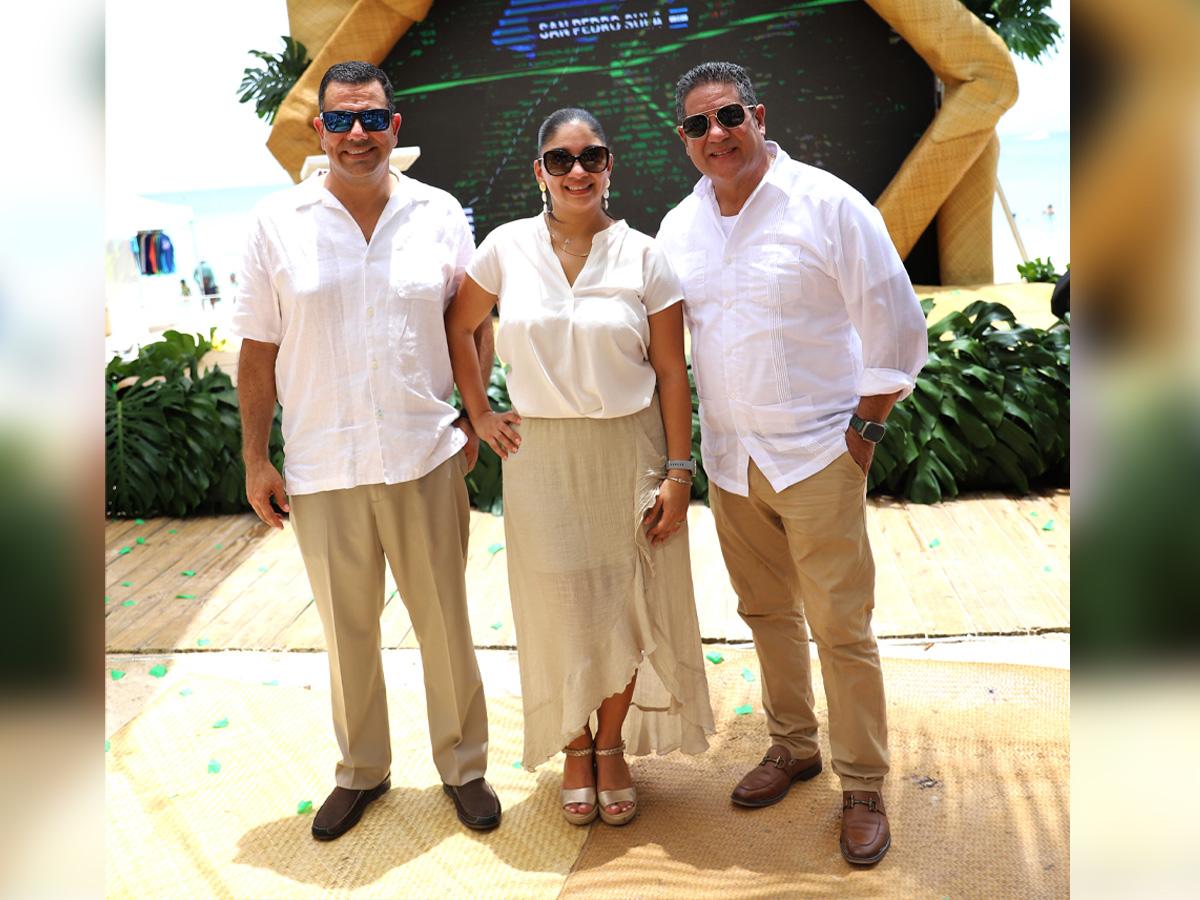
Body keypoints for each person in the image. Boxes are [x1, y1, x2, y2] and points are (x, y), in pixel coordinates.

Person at [657, 62, 928, 866]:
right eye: (699, 125)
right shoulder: (680, 227)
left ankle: (863, 782)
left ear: (759, 115)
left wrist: (862, 438)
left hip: (818, 455)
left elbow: (897, 330)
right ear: (684, 140)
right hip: (734, 463)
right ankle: (793, 744)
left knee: (841, 627)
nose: (716, 134)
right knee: (766, 614)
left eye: (729, 115)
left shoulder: (830, 205)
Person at [232, 60, 502, 840]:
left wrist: (474, 417)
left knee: (445, 623)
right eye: (342, 119)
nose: (358, 133)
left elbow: (471, 324)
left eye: (372, 118)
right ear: (318, 130)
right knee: (348, 632)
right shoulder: (273, 223)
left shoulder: (441, 213)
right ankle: (361, 772)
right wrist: (257, 458)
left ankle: (464, 766)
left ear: (395, 126)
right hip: (323, 461)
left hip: (424, 450)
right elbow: (256, 351)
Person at [445, 108, 714, 827]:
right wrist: (478, 411)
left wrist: (680, 472)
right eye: (560, 160)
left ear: (608, 166)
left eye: (589, 157)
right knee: (559, 604)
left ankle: (612, 746)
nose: (576, 171)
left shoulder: (645, 255)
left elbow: (670, 371)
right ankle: (572, 744)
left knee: (627, 601)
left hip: (631, 449)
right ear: (539, 171)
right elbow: (459, 323)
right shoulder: (505, 248)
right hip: (540, 456)